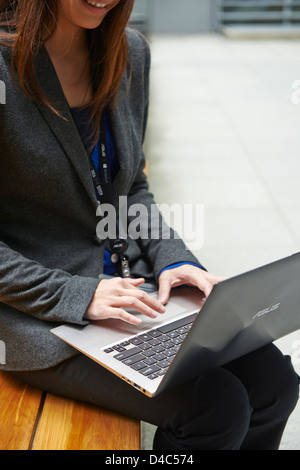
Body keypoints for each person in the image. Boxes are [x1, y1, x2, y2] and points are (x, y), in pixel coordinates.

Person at [0, 0, 298, 450]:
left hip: (134, 293)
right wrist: (76, 295)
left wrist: (173, 260)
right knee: (215, 407)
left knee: (275, 386)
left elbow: (130, 188)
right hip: (38, 312)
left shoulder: (129, 52)